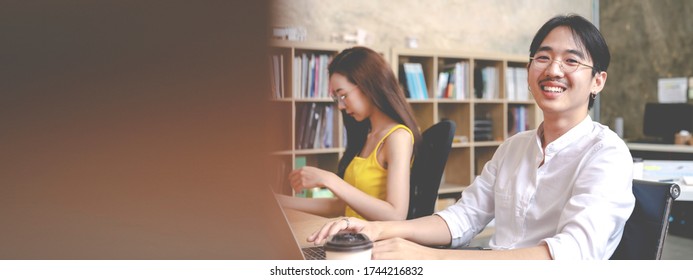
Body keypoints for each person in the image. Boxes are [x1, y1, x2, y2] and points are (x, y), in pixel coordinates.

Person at [308, 14, 635, 260]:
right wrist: (380, 229)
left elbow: (571, 254)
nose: (553, 70)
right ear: (529, 70)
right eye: (544, 57)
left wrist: (437, 259)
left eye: (572, 60)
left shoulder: (607, 154)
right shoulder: (513, 148)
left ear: (598, 81)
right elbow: (464, 217)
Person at [277, 46, 422, 221]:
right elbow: (341, 206)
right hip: (352, 238)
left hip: (374, 244)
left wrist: (329, 179)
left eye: (343, 95)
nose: (340, 106)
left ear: (369, 86)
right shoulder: (367, 136)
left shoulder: (397, 137)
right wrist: (279, 202)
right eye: (336, 99)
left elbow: (395, 215)